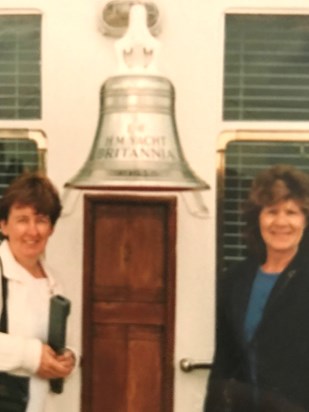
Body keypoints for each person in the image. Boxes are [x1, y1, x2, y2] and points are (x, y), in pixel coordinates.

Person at [204, 164, 309, 412]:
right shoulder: (234, 279)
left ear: (305, 220)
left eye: (292, 212)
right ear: (257, 218)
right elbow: (225, 361)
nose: (281, 222)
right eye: (272, 211)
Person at [0, 172, 76, 412]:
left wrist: (69, 358)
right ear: (3, 225)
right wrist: (33, 356)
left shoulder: (55, 282)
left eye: (41, 220)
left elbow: (68, 342)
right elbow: (35, 355)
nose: (32, 231)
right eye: (22, 219)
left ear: (51, 227)